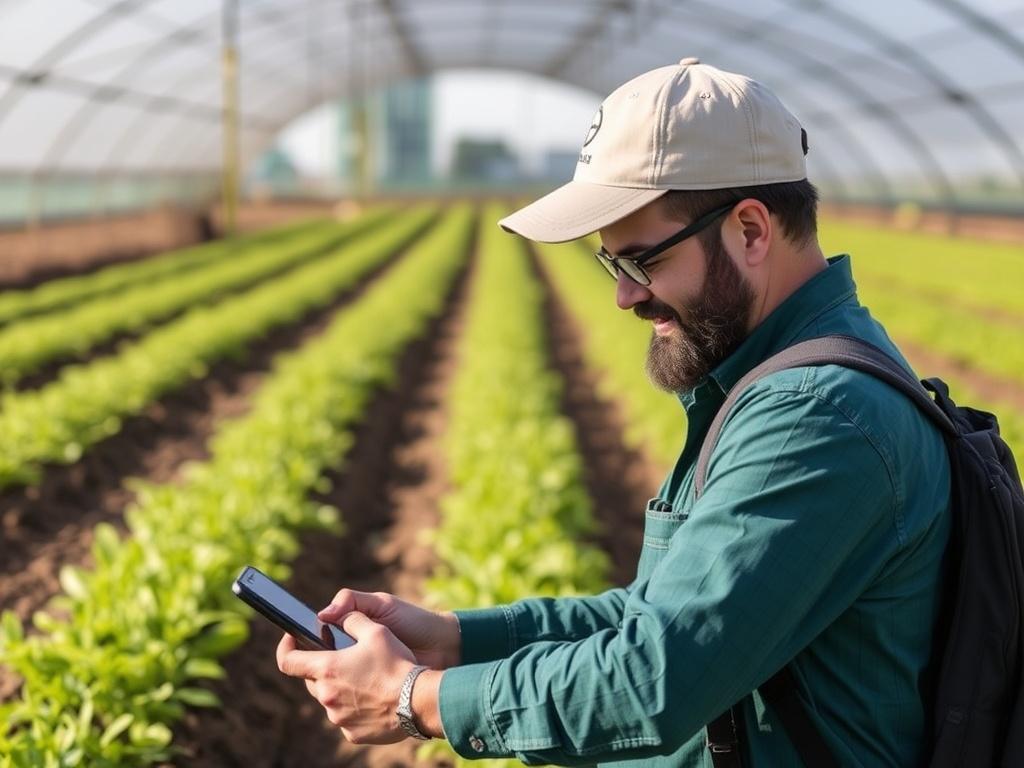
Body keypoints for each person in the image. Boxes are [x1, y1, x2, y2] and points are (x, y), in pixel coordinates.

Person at [276, 58, 951, 766]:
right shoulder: (772, 384)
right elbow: (652, 617)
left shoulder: (816, 416)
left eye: (641, 261)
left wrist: (413, 697)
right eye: (613, 267)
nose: (626, 298)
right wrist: (453, 637)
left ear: (751, 231)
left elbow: (651, 678)